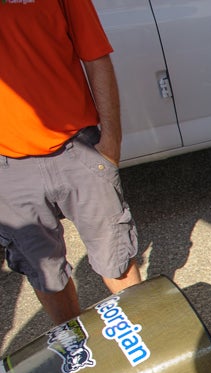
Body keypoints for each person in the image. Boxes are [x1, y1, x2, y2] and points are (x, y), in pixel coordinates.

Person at [0, 0, 141, 325]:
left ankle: (143, 344)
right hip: (8, 170)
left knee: (116, 258)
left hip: (78, 149)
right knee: (45, 273)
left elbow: (95, 56)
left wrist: (110, 142)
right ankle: (75, 348)